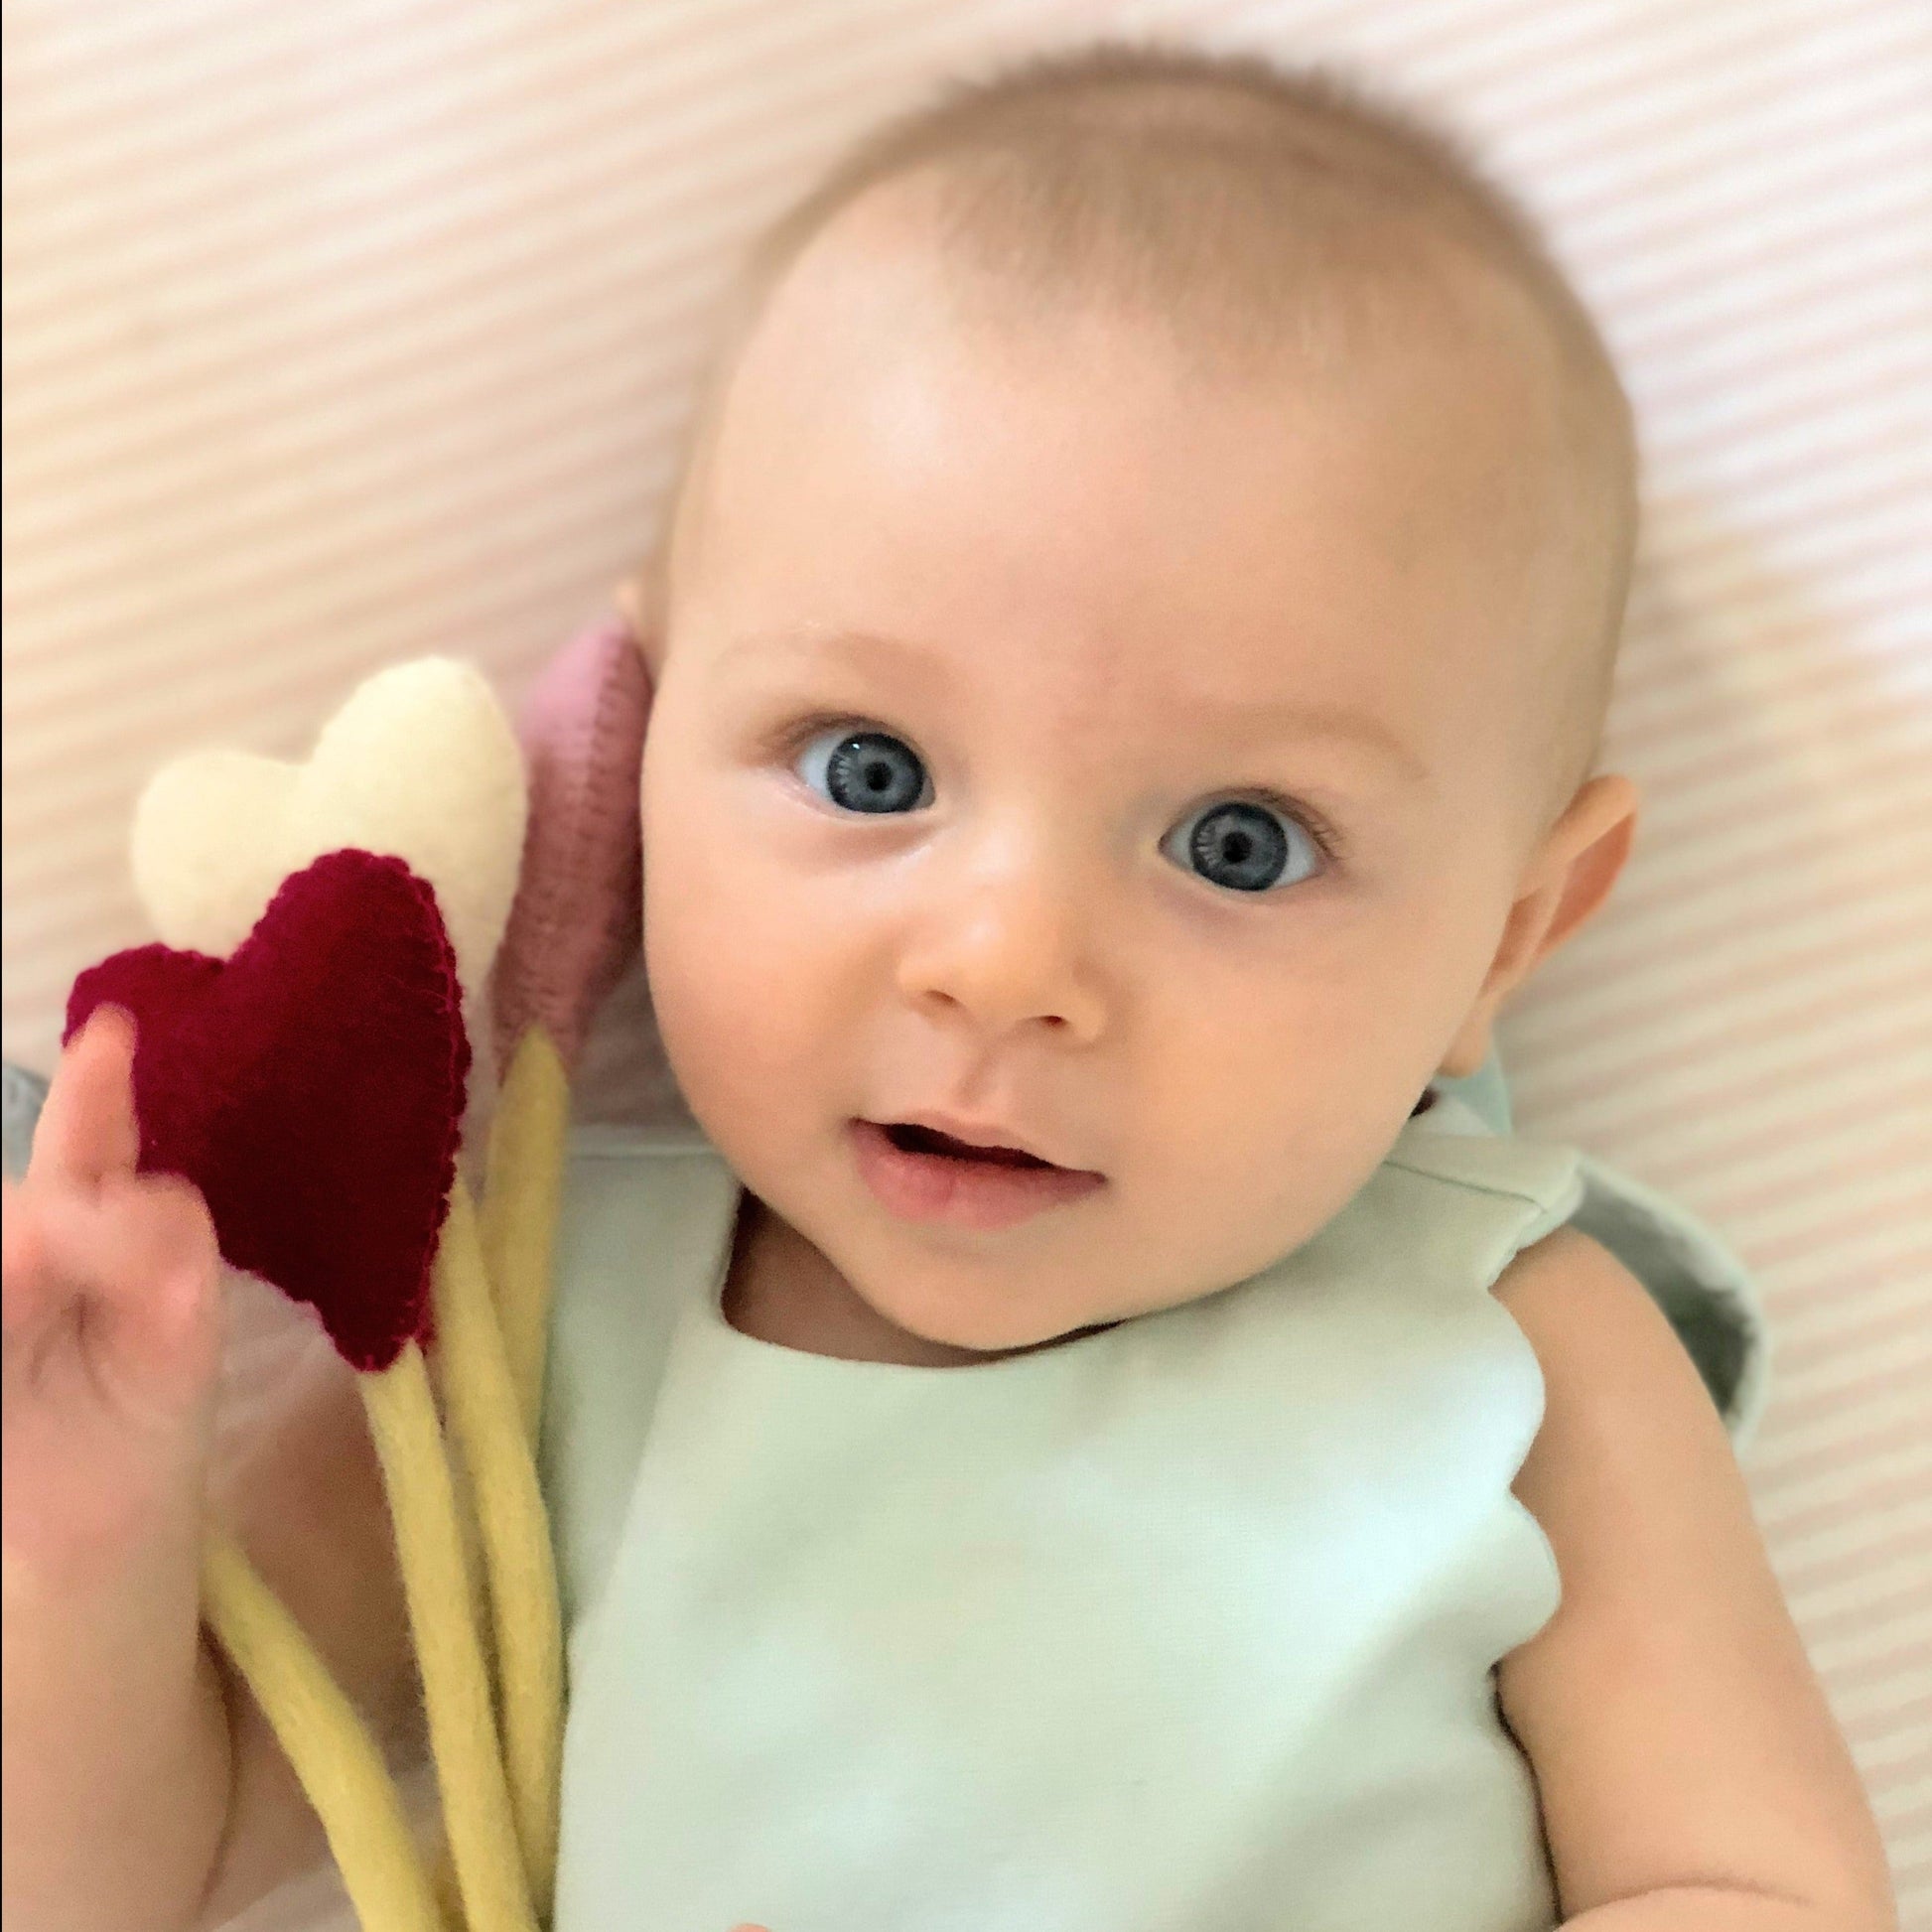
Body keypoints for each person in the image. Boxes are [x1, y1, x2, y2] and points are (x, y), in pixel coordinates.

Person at [1, 39, 1896, 1932]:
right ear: (643, 762)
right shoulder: (522, 1332)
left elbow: (1748, 1881)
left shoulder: (1512, 1351)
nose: (1002, 964)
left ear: (1506, 934)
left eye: (1239, 841)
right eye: (868, 772)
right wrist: (80, 1541)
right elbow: (126, 1866)